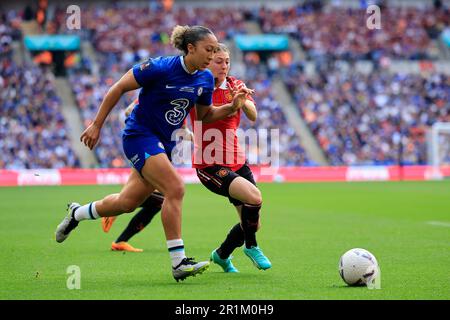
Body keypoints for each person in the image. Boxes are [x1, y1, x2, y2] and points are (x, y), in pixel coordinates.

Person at [55, 25, 252, 282]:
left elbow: (204, 116)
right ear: (190, 48)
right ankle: (178, 262)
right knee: (175, 188)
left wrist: (232, 106)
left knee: (126, 203)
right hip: (140, 136)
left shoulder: (203, 79)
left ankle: (76, 213)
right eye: (209, 50)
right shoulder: (159, 68)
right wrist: (96, 124)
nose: (212, 55)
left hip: (163, 145)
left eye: (216, 50)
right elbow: (118, 88)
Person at [102, 43, 271, 272]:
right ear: (206, 61)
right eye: (218, 61)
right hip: (209, 162)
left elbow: (252, 113)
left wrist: (240, 102)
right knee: (162, 194)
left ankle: (222, 255)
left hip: (237, 160)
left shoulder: (234, 84)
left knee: (253, 223)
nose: (223, 66)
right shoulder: (195, 84)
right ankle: (250, 247)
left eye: (227, 62)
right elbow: (135, 108)